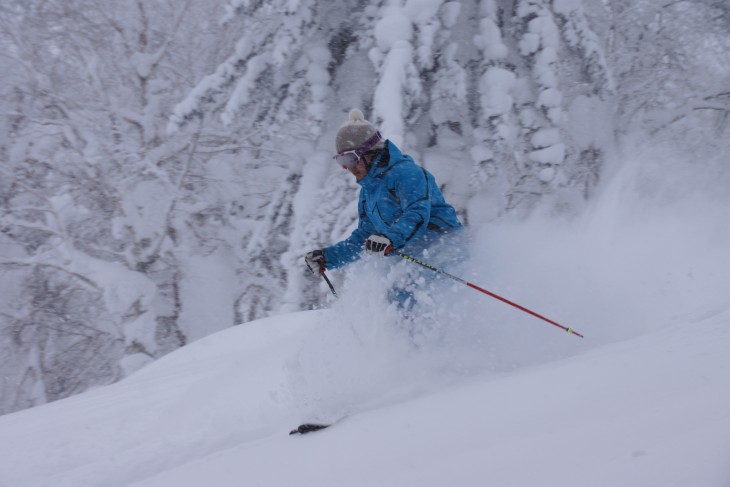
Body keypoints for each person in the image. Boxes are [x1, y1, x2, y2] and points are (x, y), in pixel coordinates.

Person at [305, 108, 464, 315]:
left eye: (351, 159)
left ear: (370, 152)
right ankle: (404, 345)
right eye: (342, 162)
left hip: (445, 248)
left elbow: (416, 214)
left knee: (405, 295)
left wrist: (389, 238)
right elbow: (363, 238)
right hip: (414, 257)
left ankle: (430, 344)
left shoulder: (407, 174)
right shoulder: (369, 192)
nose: (349, 168)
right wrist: (329, 258)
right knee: (395, 300)